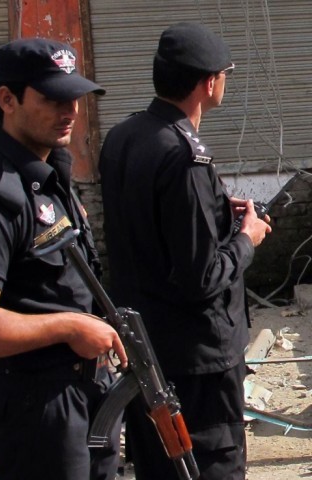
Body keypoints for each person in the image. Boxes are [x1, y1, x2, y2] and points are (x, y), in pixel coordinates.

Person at [0, 37, 128, 480]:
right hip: (39, 407)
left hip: (86, 392)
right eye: (53, 98)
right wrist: (71, 326)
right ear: (8, 99)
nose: (70, 110)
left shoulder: (50, 174)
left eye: (75, 97)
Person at [99, 22, 272, 480]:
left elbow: (149, 225)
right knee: (207, 466)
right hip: (196, 363)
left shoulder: (124, 136)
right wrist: (246, 238)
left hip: (146, 348)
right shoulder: (183, 156)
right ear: (208, 82)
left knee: (158, 466)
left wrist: (215, 210)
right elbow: (201, 277)